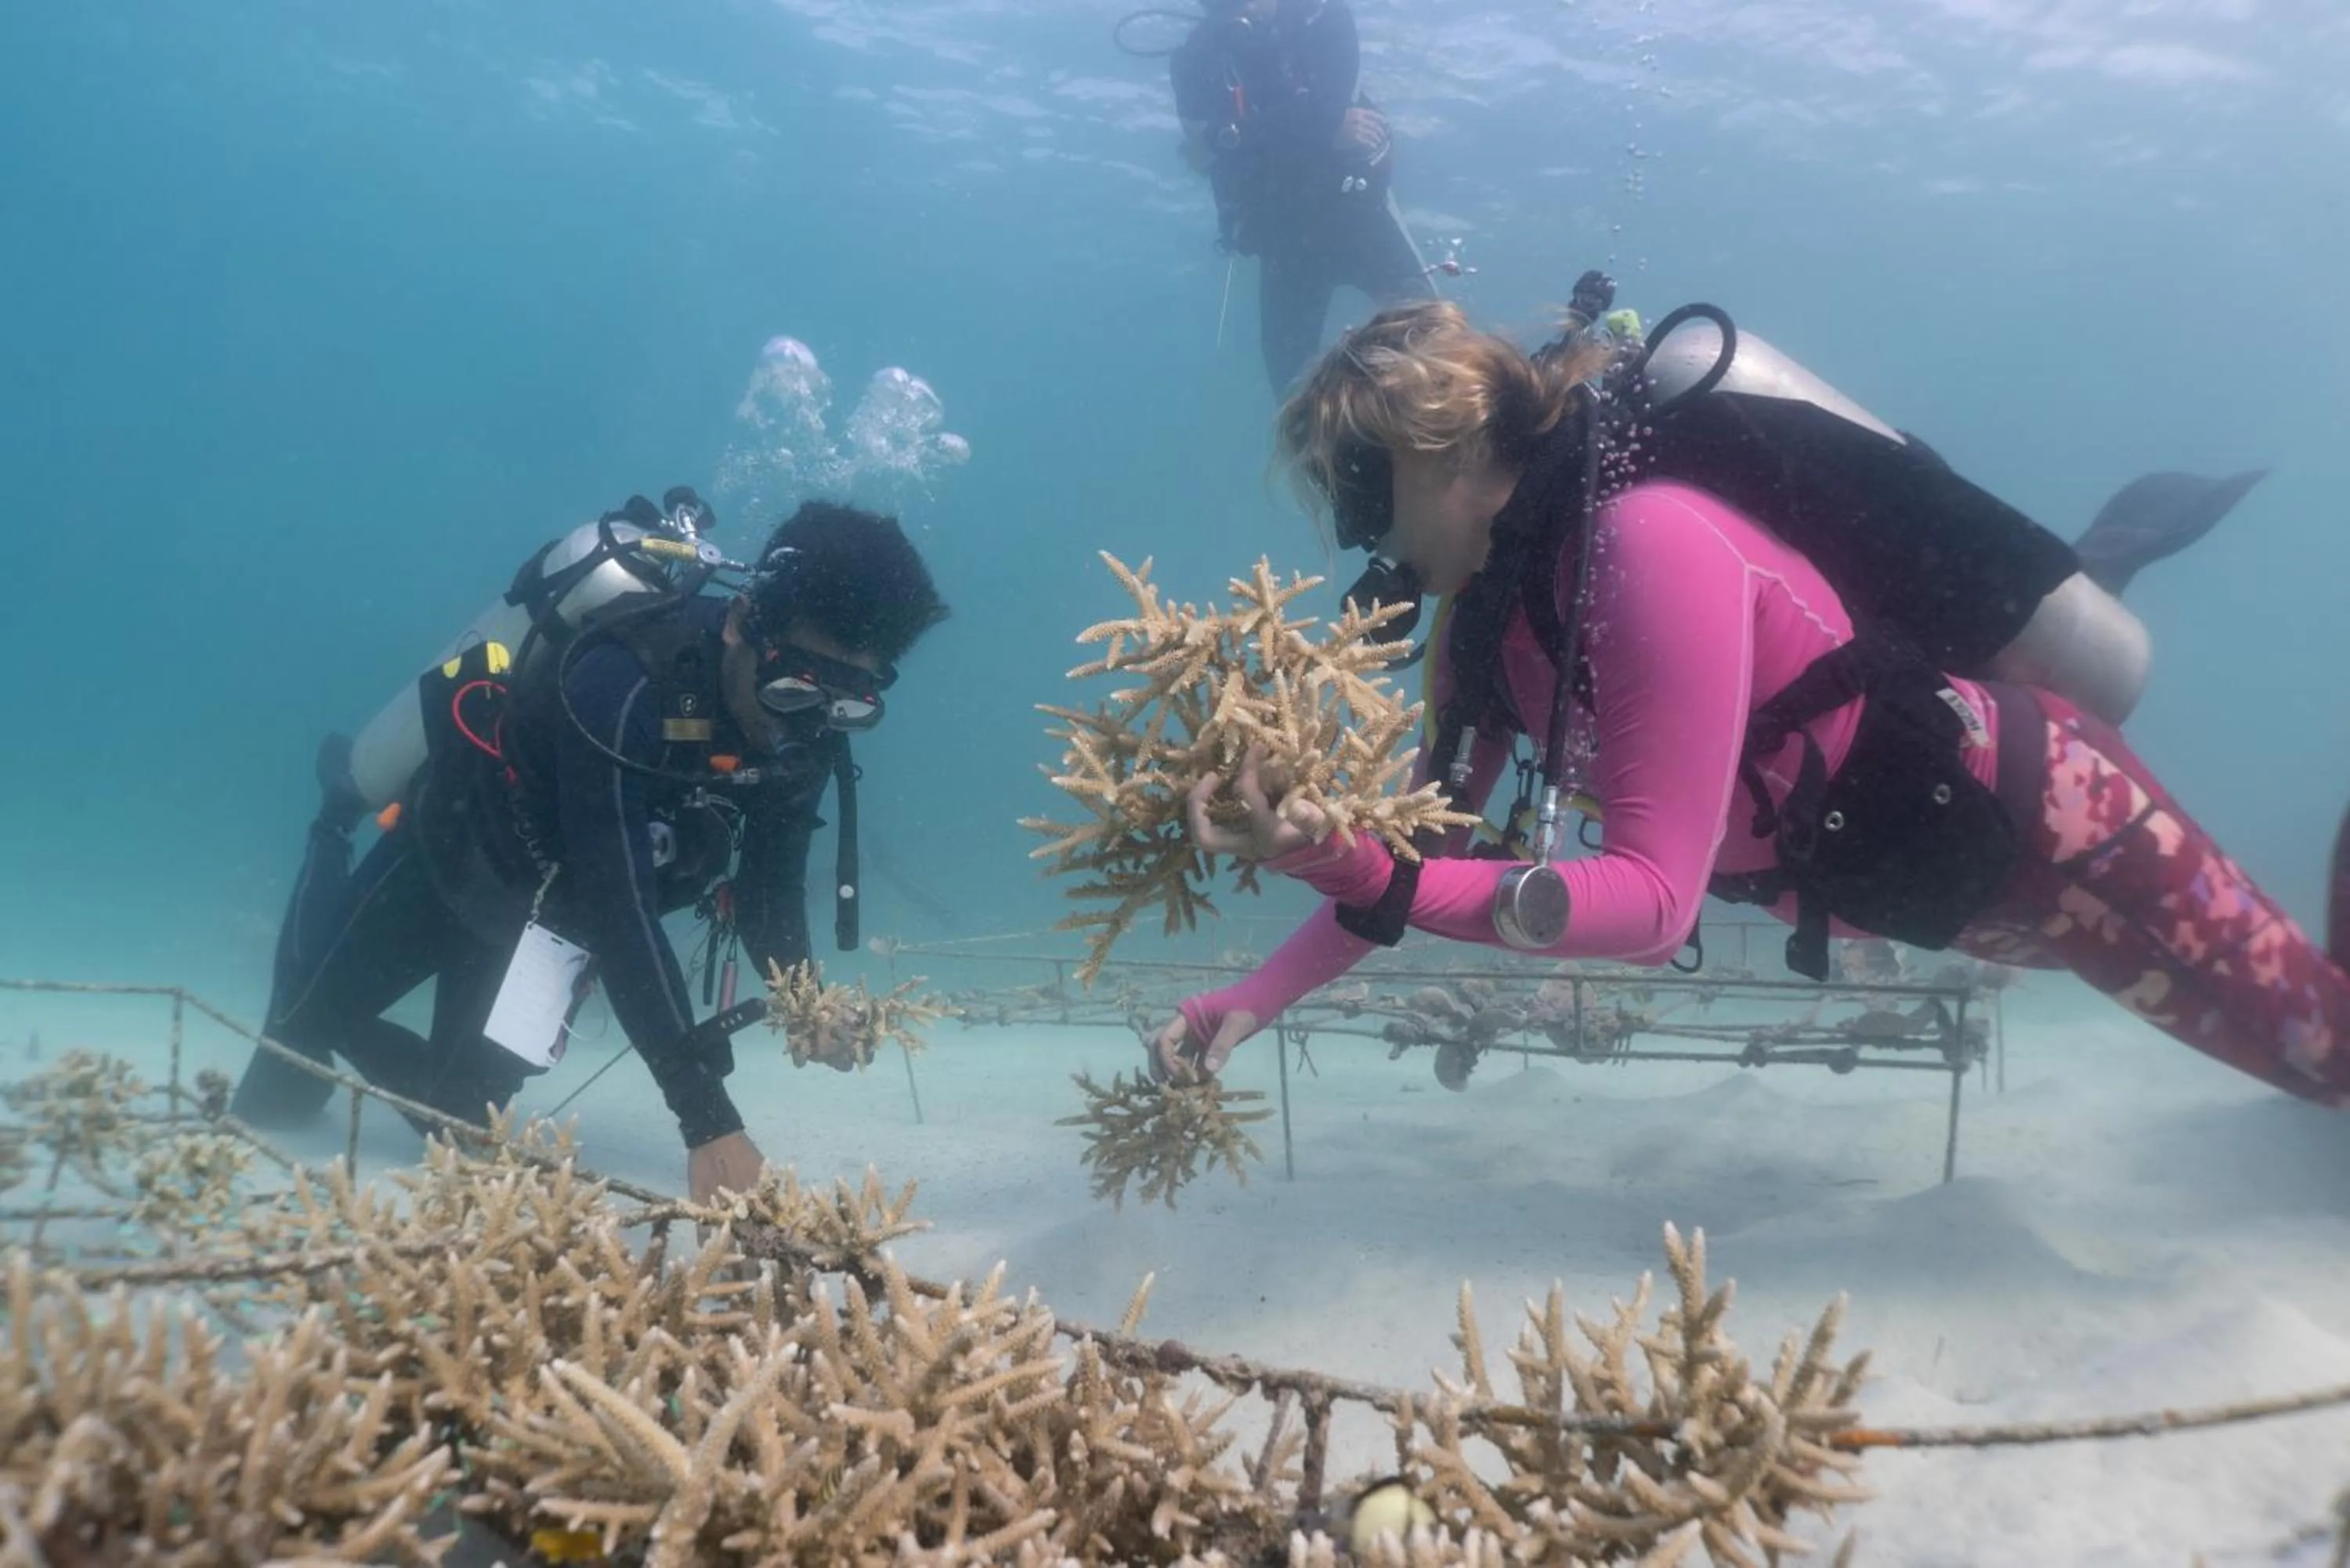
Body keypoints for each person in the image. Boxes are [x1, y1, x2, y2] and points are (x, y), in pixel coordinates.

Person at [1145, 298, 2350, 1115]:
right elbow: (1398, 870)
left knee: (2326, 1051)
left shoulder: (1646, 540)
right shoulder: (1480, 642)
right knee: (2312, 1062)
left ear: (1449, 448)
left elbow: (1650, 907)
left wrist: (1368, 873)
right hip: (1944, 891)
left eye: (1360, 485)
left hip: (2050, 812)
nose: (1358, 531)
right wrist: (1240, 1005)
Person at [232, 497, 950, 1201]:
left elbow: (767, 892)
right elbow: (619, 897)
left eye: (848, 706)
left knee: (460, 1135)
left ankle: (384, 1030)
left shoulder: (809, 733)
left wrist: (807, 1000)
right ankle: (332, 819)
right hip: (454, 857)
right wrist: (707, 1119)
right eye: (794, 691)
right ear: (740, 625)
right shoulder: (625, 677)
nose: (808, 725)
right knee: (289, 1067)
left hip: (549, 925)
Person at [1167, 0, 1436, 396]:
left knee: (1441, 347)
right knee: (1294, 396)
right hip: (1283, 240)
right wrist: (1316, 127)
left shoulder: (1320, 13)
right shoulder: (1197, 56)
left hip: (1356, 213)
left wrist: (1237, 136)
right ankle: (1349, 456)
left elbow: (1333, 105)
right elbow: (1198, 151)